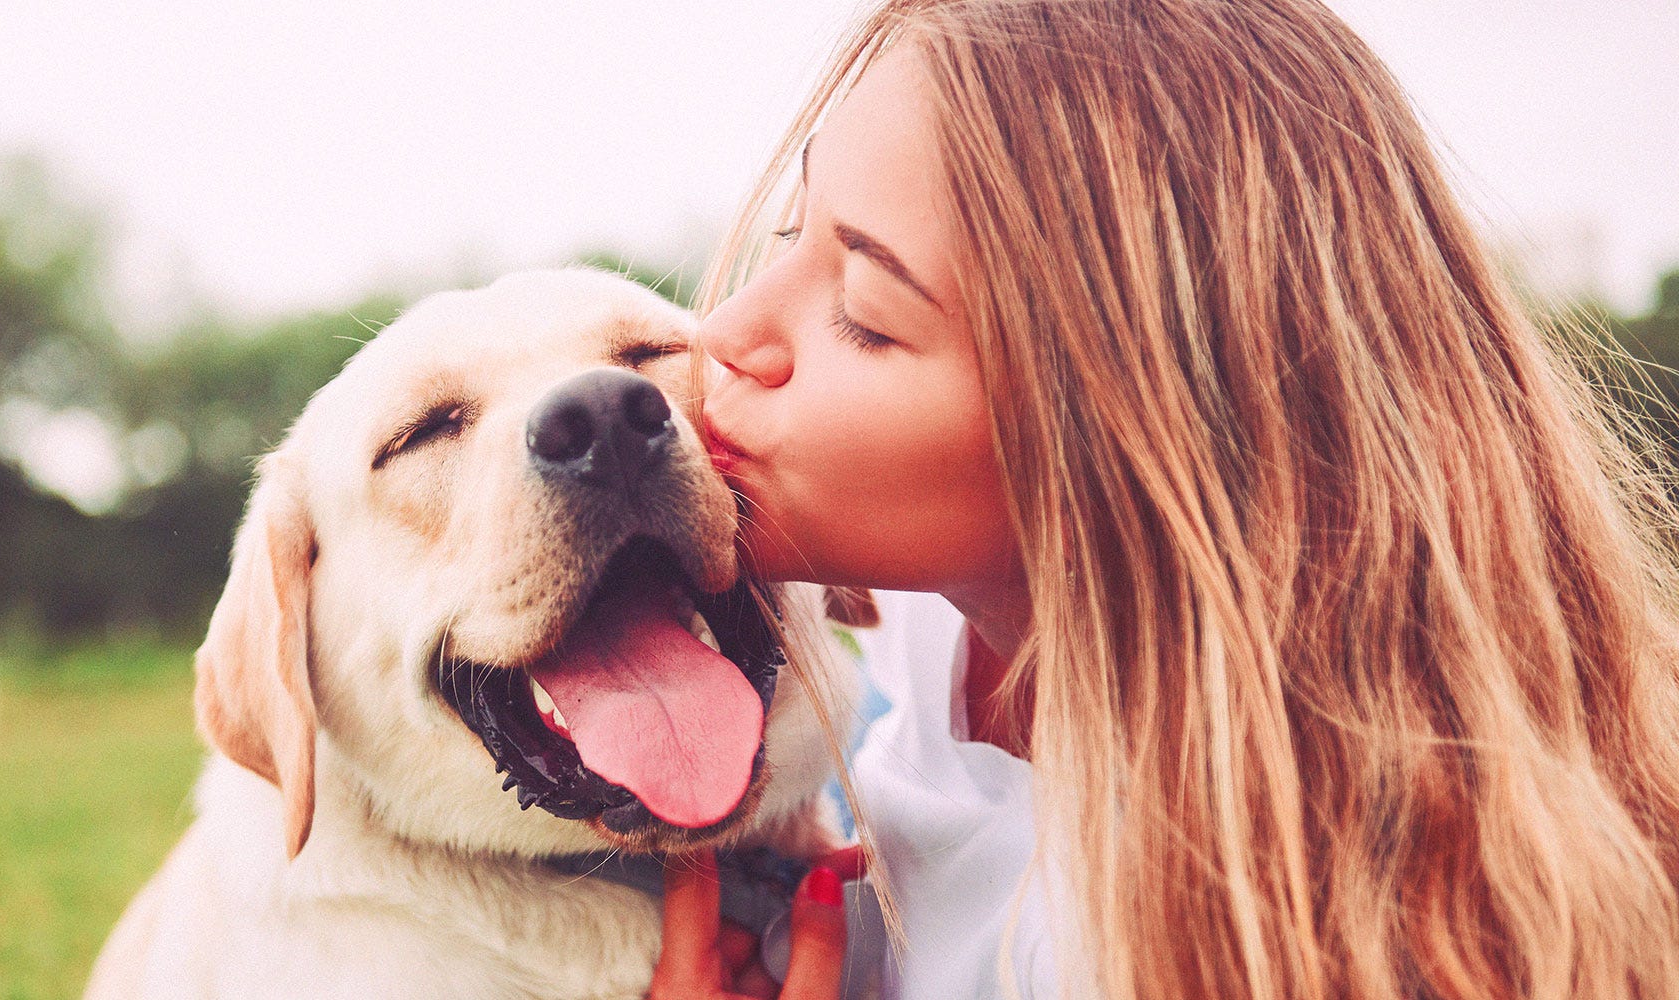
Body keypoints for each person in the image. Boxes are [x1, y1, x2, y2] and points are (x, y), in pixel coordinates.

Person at [647, 1, 1679, 998]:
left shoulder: (1222, 944)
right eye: (791, 232)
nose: (727, 331)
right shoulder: (940, 626)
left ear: (1120, 437)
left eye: (865, 314)